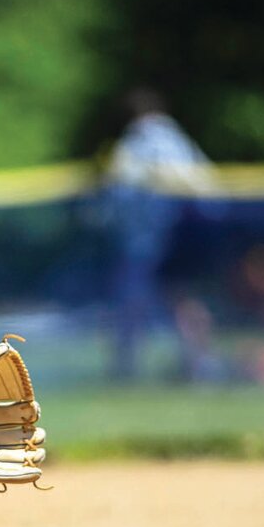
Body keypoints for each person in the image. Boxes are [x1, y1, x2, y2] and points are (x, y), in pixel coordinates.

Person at [102, 87, 214, 381]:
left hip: (146, 242)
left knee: (132, 302)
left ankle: (127, 368)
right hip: (188, 237)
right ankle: (198, 364)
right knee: (184, 300)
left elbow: (118, 193)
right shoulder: (180, 141)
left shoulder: (134, 144)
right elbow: (209, 189)